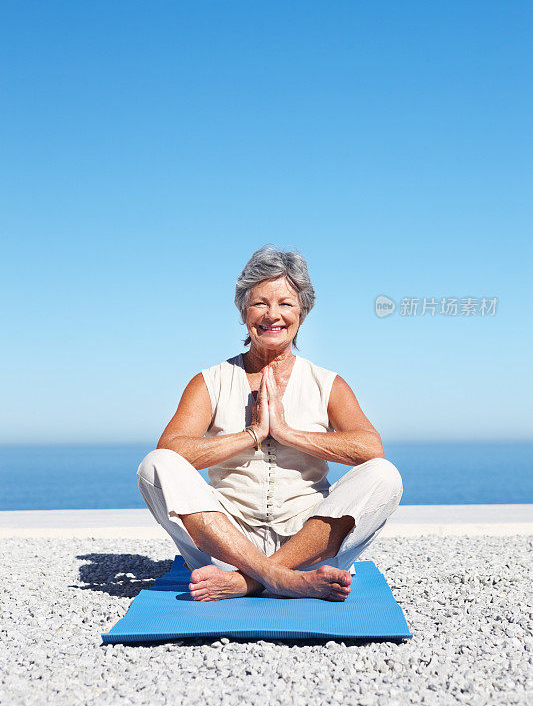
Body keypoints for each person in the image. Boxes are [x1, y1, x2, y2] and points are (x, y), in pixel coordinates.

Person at [137, 244, 403, 602]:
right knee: (155, 465)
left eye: (285, 304)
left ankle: (251, 581)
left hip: (310, 545)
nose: (272, 315)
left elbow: (371, 448)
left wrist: (286, 433)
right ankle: (281, 579)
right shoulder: (210, 381)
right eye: (260, 302)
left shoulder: (328, 383)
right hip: (226, 544)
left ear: (303, 313)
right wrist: (252, 435)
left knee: (385, 475)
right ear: (243, 311)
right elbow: (171, 450)